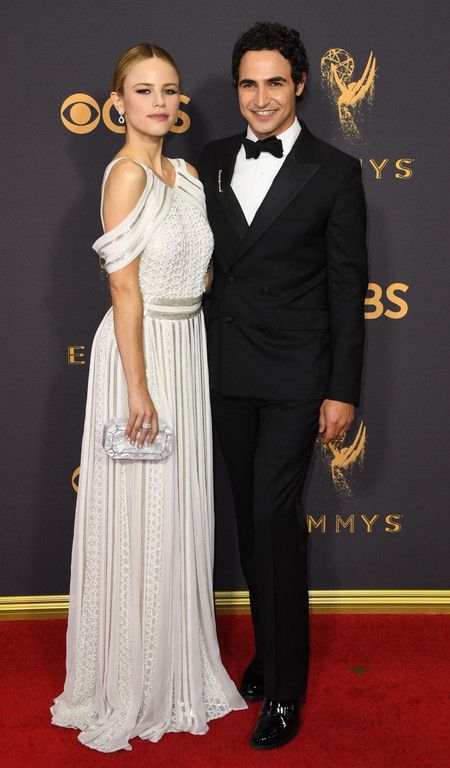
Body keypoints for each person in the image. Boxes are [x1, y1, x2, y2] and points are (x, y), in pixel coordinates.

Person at [50, 43, 246, 753]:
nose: (159, 102)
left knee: (178, 507)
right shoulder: (127, 175)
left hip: (186, 345)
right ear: (118, 104)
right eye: (143, 90)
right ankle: (131, 677)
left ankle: (178, 662)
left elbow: (202, 269)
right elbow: (123, 287)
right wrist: (138, 386)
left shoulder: (186, 175)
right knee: (142, 509)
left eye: (168, 90)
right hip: (142, 353)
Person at [198, 22, 368, 750]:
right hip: (225, 370)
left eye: (274, 82)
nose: (261, 97)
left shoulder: (335, 170)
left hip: (298, 376)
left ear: (300, 84)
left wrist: (342, 389)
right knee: (249, 521)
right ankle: (268, 653)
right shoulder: (209, 160)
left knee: (274, 518)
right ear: (236, 89)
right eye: (248, 83)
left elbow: (347, 290)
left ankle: (286, 691)